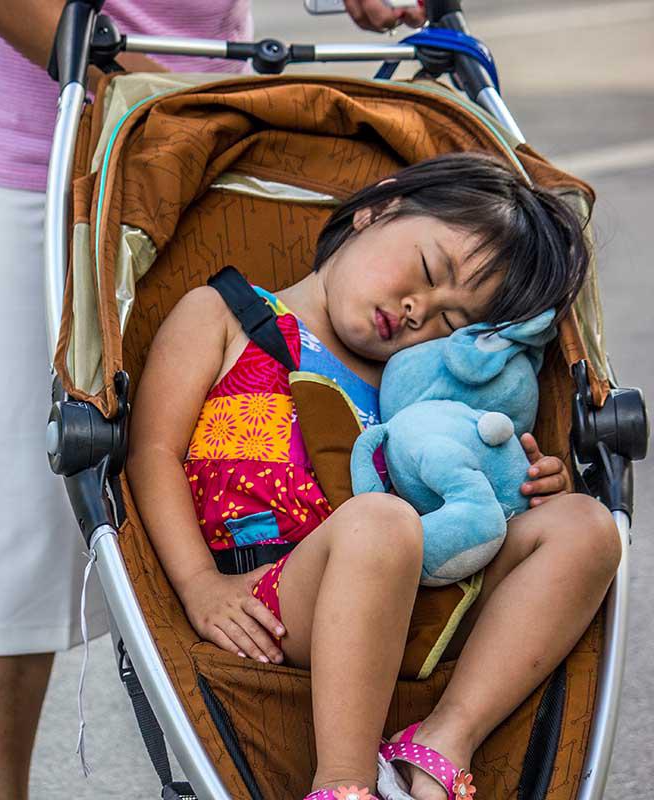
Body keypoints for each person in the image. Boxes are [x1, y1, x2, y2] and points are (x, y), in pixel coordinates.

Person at [0, 1, 426, 797]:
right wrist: (110, 75)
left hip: (192, 126)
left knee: (219, 435)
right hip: (33, 131)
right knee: (11, 509)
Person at [126, 153, 620, 800]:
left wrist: (520, 491)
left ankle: (446, 736)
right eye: (428, 272)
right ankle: (344, 783)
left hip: (422, 585)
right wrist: (198, 585)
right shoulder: (225, 316)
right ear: (376, 209)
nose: (420, 311)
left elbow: (461, 487)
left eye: (453, 322)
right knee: (381, 521)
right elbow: (151, 452)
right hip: (283, 589)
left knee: (587, 525)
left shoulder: (420, 387)